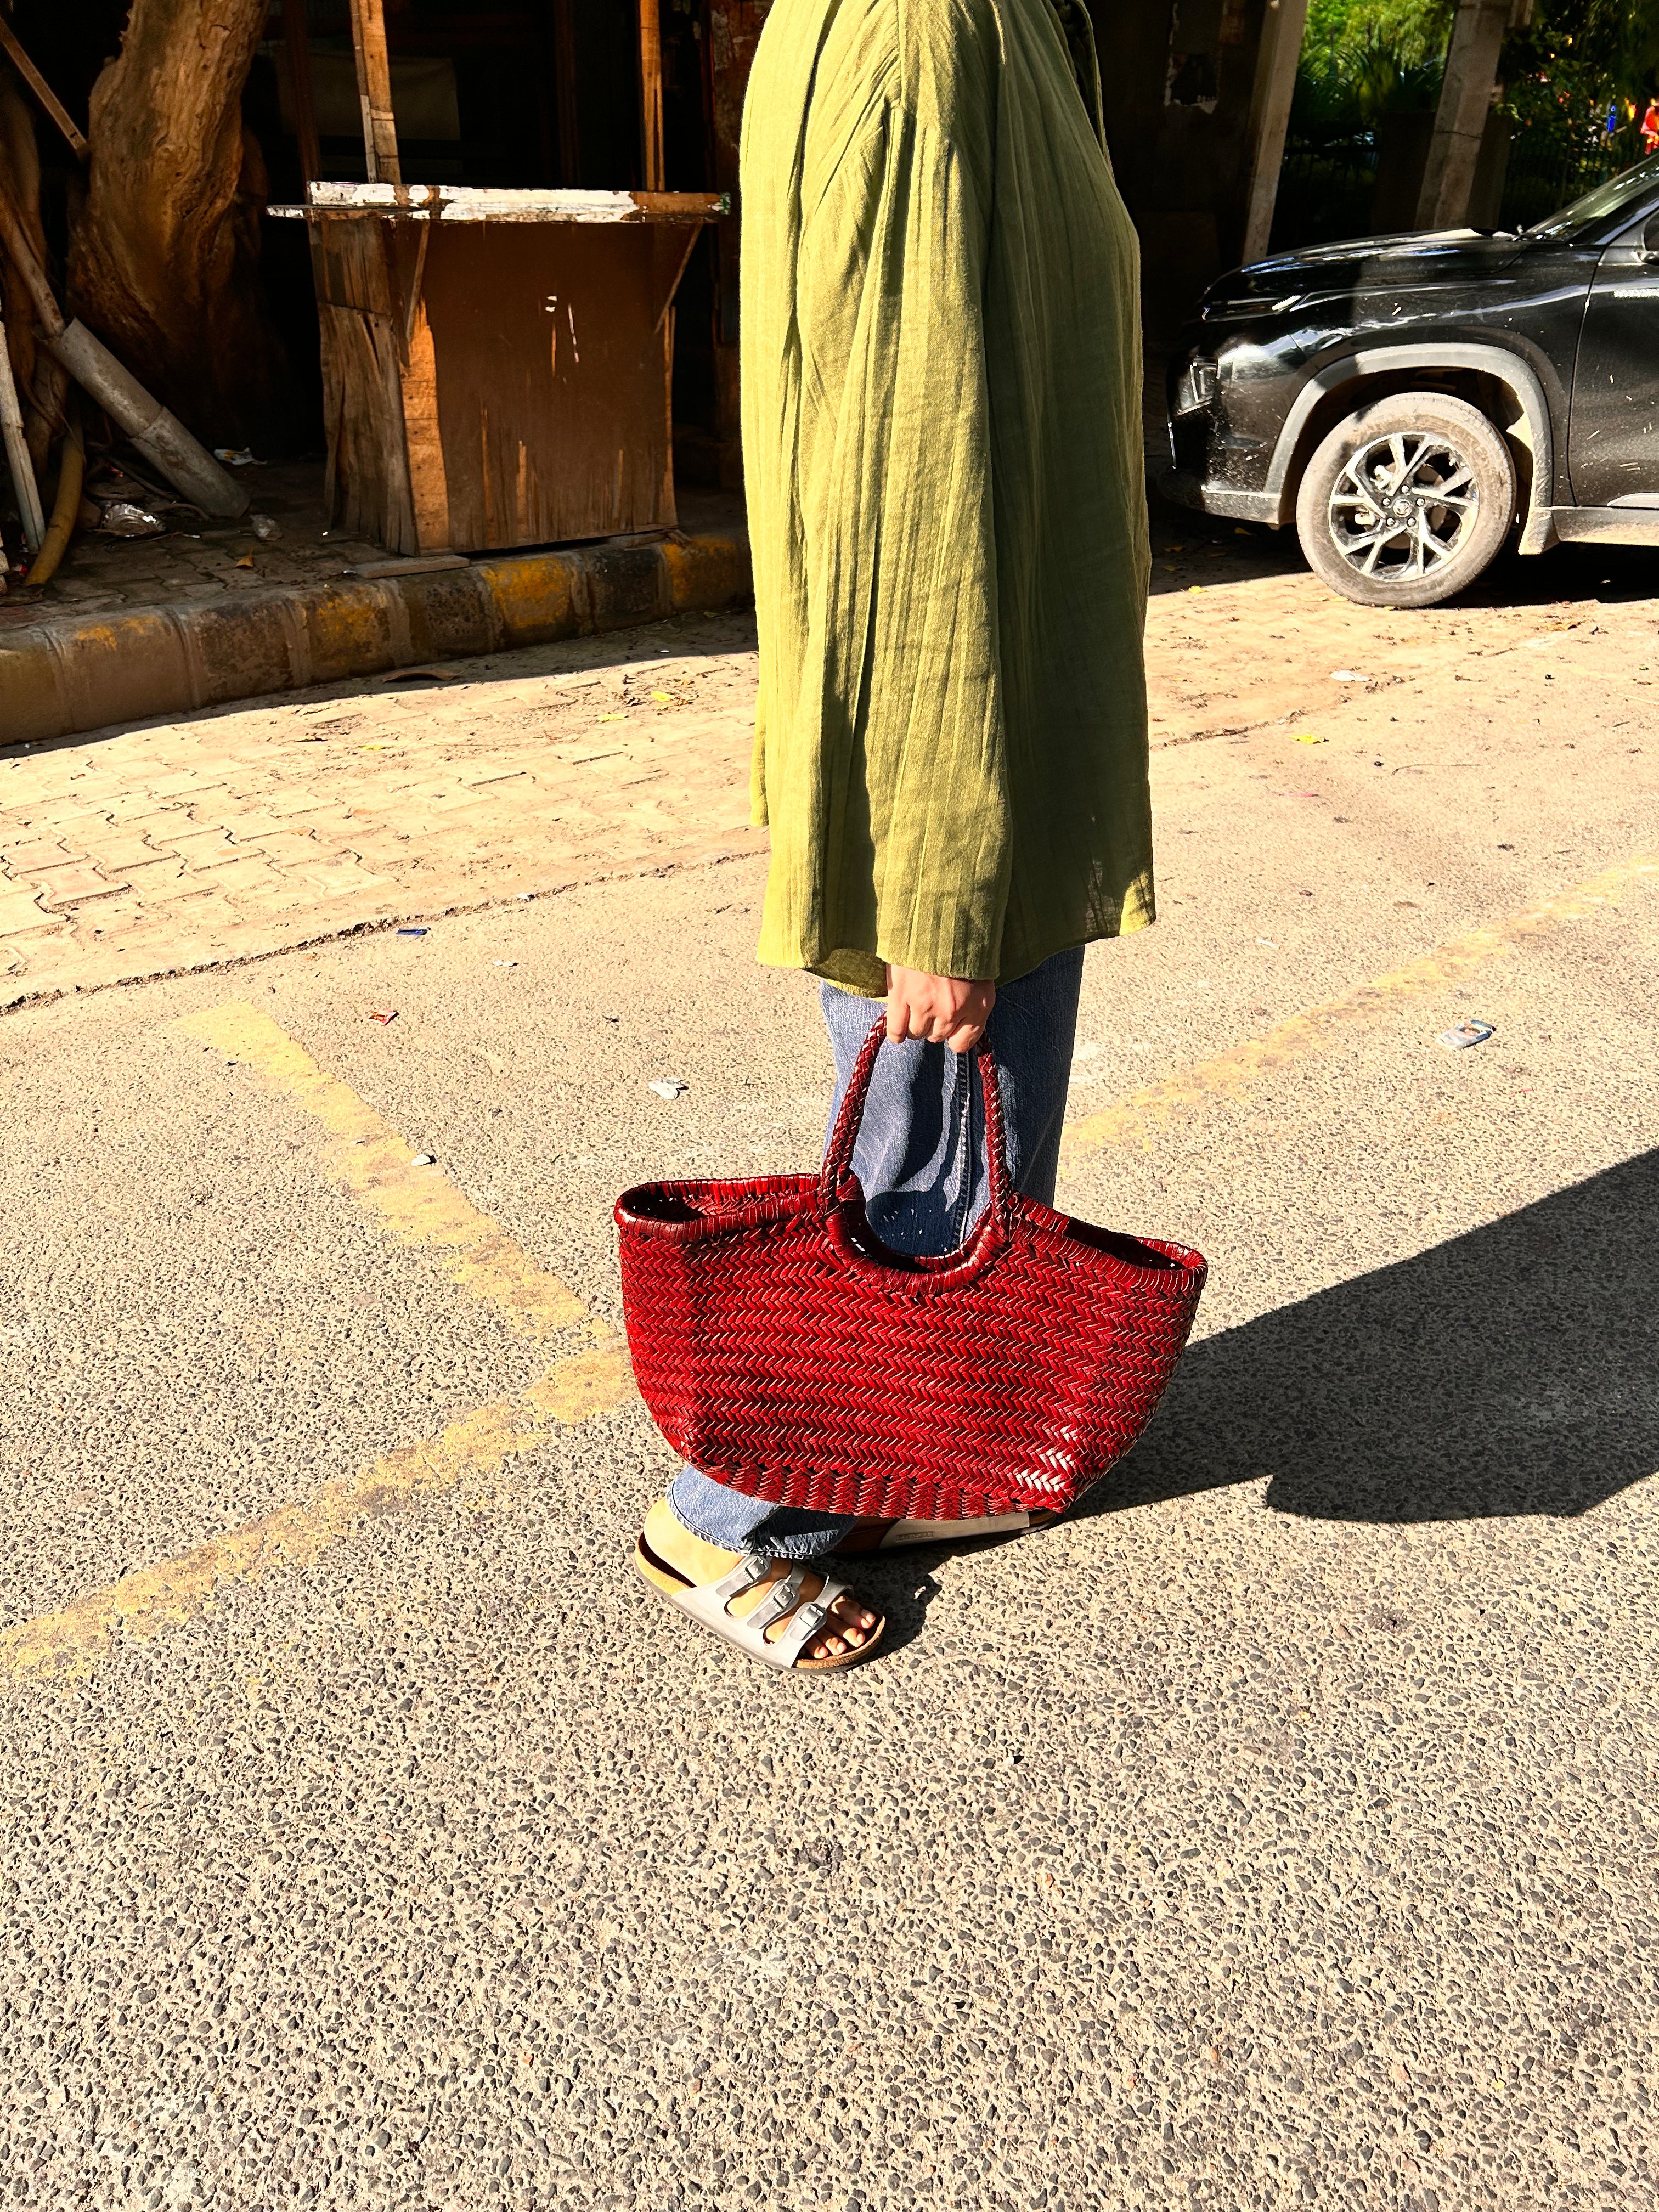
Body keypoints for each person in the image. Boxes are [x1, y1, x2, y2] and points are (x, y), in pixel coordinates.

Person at [632, 0, 1153, 1671]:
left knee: (961, 1148)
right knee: (926, 1152)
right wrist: (938, 875)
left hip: (1000, 731)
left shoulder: (978, 20)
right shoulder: (930, 40)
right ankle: (727, 1517)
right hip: (955, 755)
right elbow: (903, 481)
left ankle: (907, 1447)